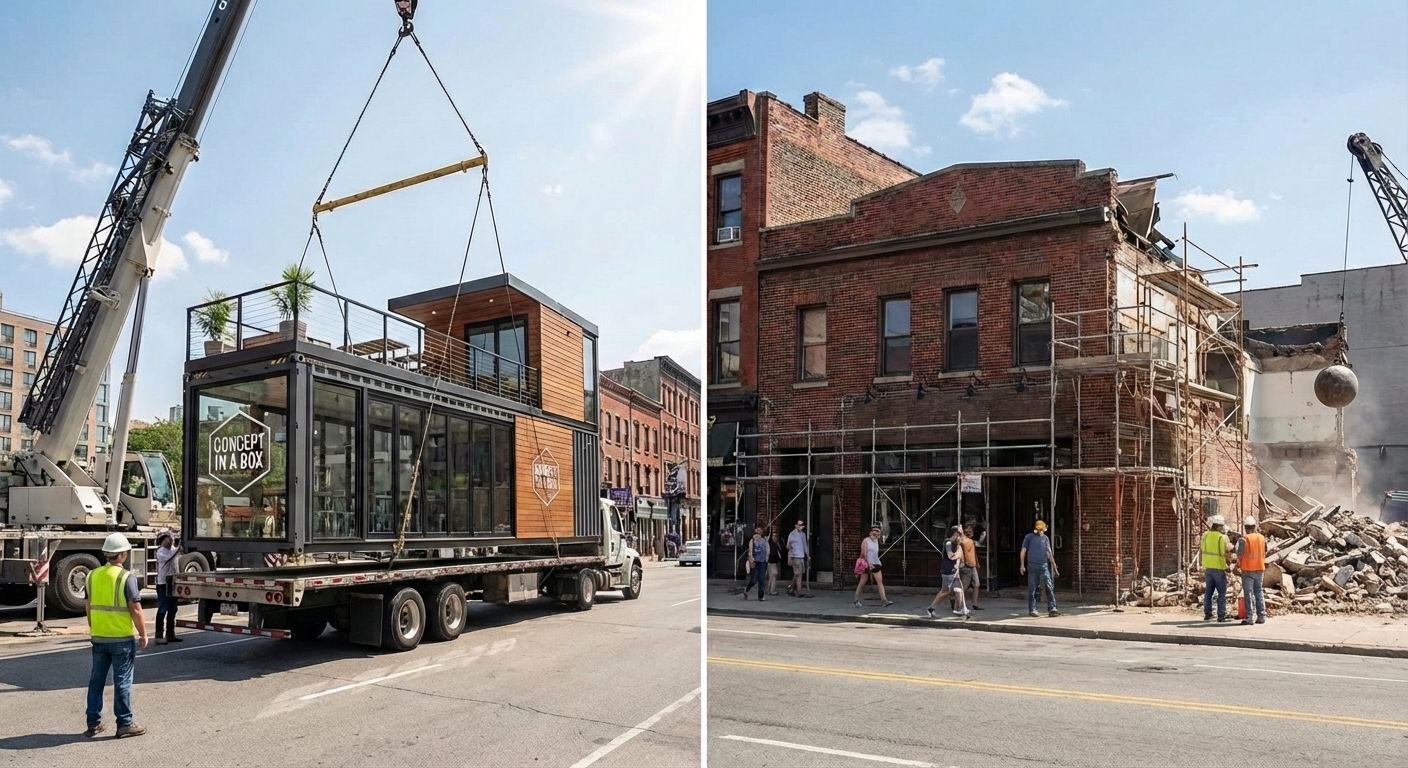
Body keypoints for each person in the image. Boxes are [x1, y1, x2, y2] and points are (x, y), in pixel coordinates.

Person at [84, 533, 148, 738]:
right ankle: (125, 723)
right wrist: (144, 634)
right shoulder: (126, 577)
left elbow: (88, 606)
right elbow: (136, 609)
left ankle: (93, 723)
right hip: (121, 639)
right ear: (122, 555)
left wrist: (94, 628)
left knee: (96, 681)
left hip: (99, 637)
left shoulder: (91, 576)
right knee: (122, 681)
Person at [1198, 514, 1235, 622]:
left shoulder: (1205, 535)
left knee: (1208, 592)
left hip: (1208, 568)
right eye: (1222, 526)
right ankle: (1221, 615)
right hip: (1218, 568)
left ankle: (1208, 614)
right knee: (1221, 594)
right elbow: (1229, 549)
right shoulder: (1222, 537)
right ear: (1219, 526)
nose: (1223, 528)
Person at [927, 526, 969, 618]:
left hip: (954, 571)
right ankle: (931, 608)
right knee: (945, 592)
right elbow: (951, 556)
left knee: (959, 590)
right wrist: (958, 551)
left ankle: (960, 609)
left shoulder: (956, 544)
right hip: (948, 571)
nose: (961, 537)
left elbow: (959, 557)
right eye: (960, 535)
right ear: (955, 534)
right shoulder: (949, 543)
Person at [1020, 520, 1060, 617]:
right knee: (1032, 588)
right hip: (1033, 566)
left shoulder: (1045, 539)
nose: (1041, 531)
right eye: (1040, 529)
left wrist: (1054, 567)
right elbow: (1023, 551)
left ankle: (1052, 608)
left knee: (1049, 586)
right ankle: (1032, 609)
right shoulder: (1029, 537)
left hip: (1043, 566)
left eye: (1042, 529)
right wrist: (1022, 565)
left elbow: (1049, 553)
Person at [1236, 516, 1267, 625]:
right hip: (1259, 569)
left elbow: (1239, 553)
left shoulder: (1243, 539)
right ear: (1254, 527)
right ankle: (1261, 616)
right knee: (1259, 593)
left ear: (1245, 527)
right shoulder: (1262, 538)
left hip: (1248, 570)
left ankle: (1249, 617)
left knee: (1248, 594)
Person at [854, 525, 893, 608]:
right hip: (866, 564)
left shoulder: (876, 541)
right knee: (862, 583)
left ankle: (884, 600)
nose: (875, 533)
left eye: (877, 531)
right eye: (873, 531)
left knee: (880, 582)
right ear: (870, 532)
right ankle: (856, 600)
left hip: (875, 563)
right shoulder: (866, 541)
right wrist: (868, 564)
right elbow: (863, 554)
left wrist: (876, 563)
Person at [153, 533, 181, 645]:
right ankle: (159, 635)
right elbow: (170, 556)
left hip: (173, 583)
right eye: (168, 538)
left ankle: (171, 634)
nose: (171, 540)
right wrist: (179, 548)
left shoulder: (173, 549)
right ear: (162, 541)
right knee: (162, 609)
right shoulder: (160, 552)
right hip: (163, 583)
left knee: (173, 609)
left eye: (171, 538)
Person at [958, 524, 982, 611]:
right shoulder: (963, 542)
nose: (970, 532)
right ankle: (959, 604)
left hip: (972, 565)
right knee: (964, 587)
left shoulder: (969, 541)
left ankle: (974, 604)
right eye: (968, 531)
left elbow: (973, 553)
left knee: (976, 584)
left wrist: (976, 562)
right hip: (967, 566)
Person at [742, 526, 769, 600]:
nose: (759, 531)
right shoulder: (752, 540)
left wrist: (767, 559)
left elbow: (767, 550)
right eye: (757, 530)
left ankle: (761, 596)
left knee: (762, 579)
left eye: (760, 530)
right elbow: (750, 551)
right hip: (755, 561)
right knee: (754, 579)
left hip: (763, 561)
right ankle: (747, 589)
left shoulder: (765, 539)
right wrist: (751, 559)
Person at [786, 519, 811, 597]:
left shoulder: (803, 535)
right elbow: (788, 546)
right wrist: (790, 556)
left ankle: (791, 588)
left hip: (801, 556)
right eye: (799, 525)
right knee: (799, 574)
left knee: (798, 574)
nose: (800, 527)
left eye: (801, 525)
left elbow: (804, 545)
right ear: (796, 525)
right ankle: (799, 592)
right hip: (795, 556)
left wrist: (807, 555)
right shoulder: (792, 534)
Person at [765, 529, 782, 595]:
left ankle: (770, 589)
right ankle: (772, 590)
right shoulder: (771, 545)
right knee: (774, 574)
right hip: (771, 561)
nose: (776, 538)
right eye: (774, 536)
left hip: (772, 561)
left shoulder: (775, 544)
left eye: (776, 536)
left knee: (772, 575)